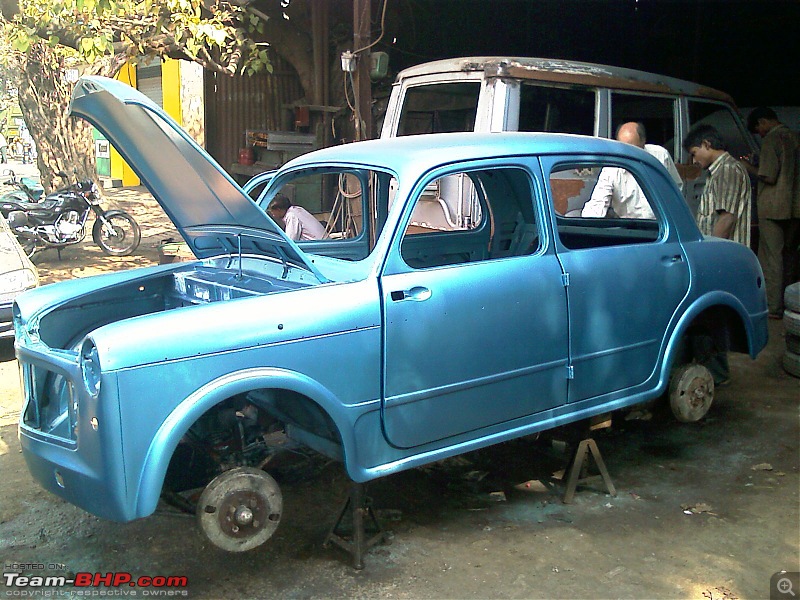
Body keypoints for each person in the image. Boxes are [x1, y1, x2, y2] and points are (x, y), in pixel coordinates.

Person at [682, 123, 752, 385]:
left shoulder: (729, 171)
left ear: (708, 145)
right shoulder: (718, 172)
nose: (693, 159)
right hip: (718, 256)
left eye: (694, 152)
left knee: (711, 319)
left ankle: (716, 375)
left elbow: (726, 220)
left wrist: (707, 259)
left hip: (723, 258)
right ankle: (710, 370)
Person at [742, 107, 800, 318]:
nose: (760, 134)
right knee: (791, 256)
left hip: (774, 207)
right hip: (796, 207)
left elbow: (768, 176)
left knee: (771, 257)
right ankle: (791, 304)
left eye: (759, 129)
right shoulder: (795, 137)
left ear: (763, 122)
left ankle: (774, 308)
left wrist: (747, 166)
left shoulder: (772, 141)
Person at [581, 122, 682, 219]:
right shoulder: (611, 169)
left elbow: (676, 189)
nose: (627, 155)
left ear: (643, 143)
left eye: (632, 150)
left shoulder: (660, 156)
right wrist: (586, 226)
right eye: (623, 149)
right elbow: (597, 203)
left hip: (661, 226)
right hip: (630, 228)